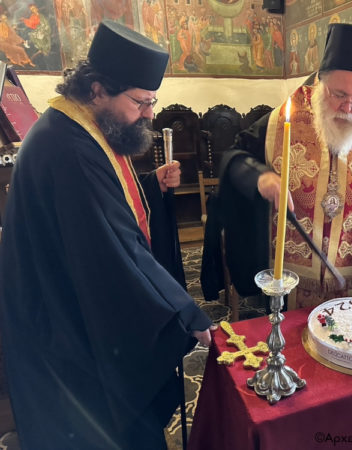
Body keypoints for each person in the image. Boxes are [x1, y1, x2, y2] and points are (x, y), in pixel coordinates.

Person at [0, 20, 214, 449]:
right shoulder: (69, 148)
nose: (149, 113)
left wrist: (149, 185)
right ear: (98, 90)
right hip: (67, 335)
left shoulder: (78, 126)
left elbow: (103, 204)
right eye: (141, 102)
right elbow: (111, 246)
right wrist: (183, 314)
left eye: (152, 101)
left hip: (67, 313)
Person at [217, 23, 352, 309]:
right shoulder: (284, 120)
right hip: (289, 278)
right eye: (338, 94)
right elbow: (234, 157)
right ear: (320, 83)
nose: (347, 108)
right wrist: (261, 177)